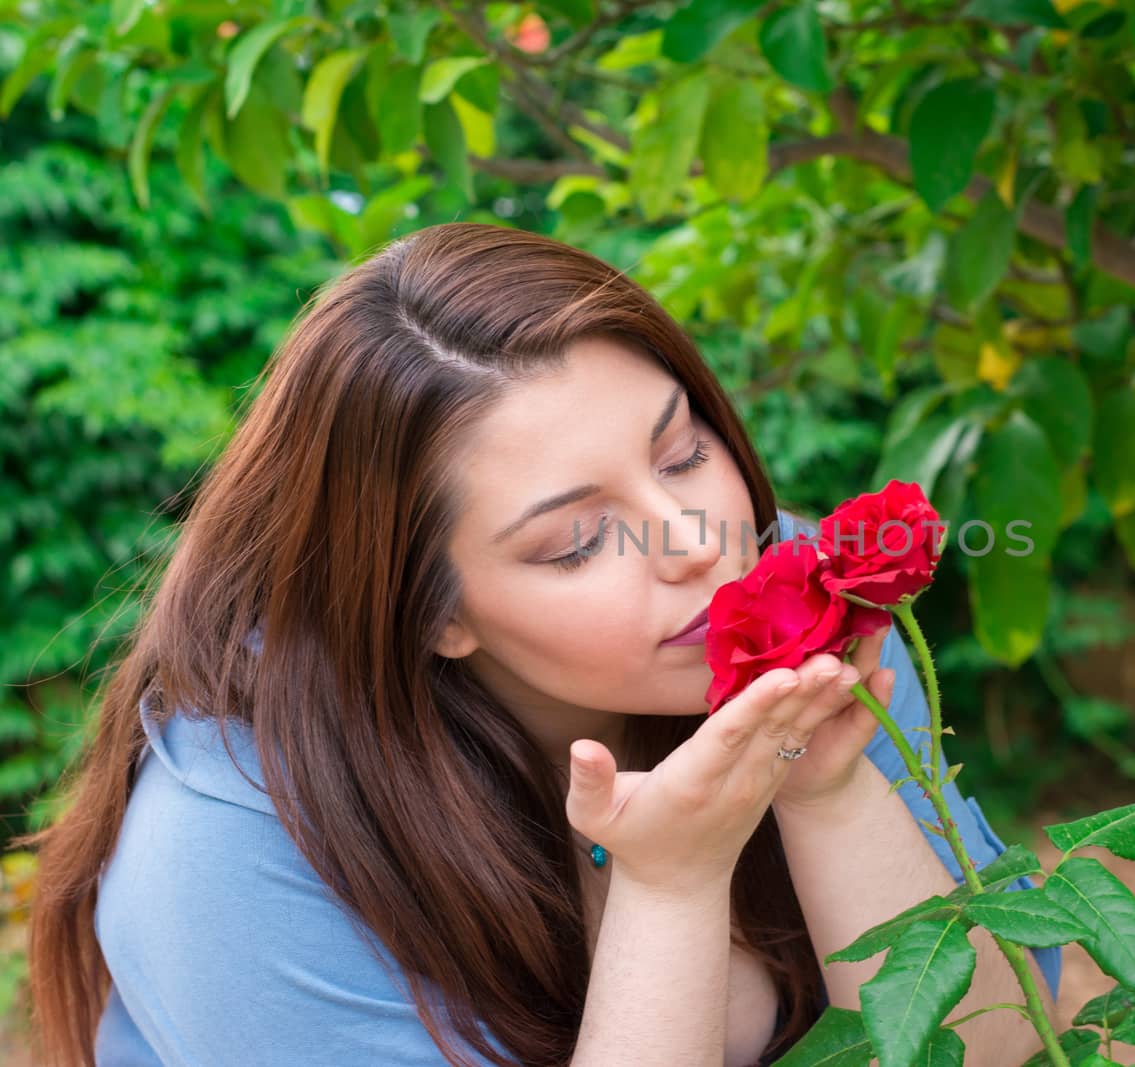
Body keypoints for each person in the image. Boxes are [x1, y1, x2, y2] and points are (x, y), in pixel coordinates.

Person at [24, 223, 1062, 1067]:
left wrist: (830, 792)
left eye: (685, 449)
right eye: (577, 539)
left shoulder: (784, 595)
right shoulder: (236, 844)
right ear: (430, 611)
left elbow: (1006, 1039)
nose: (699, 543)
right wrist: (670, 885)